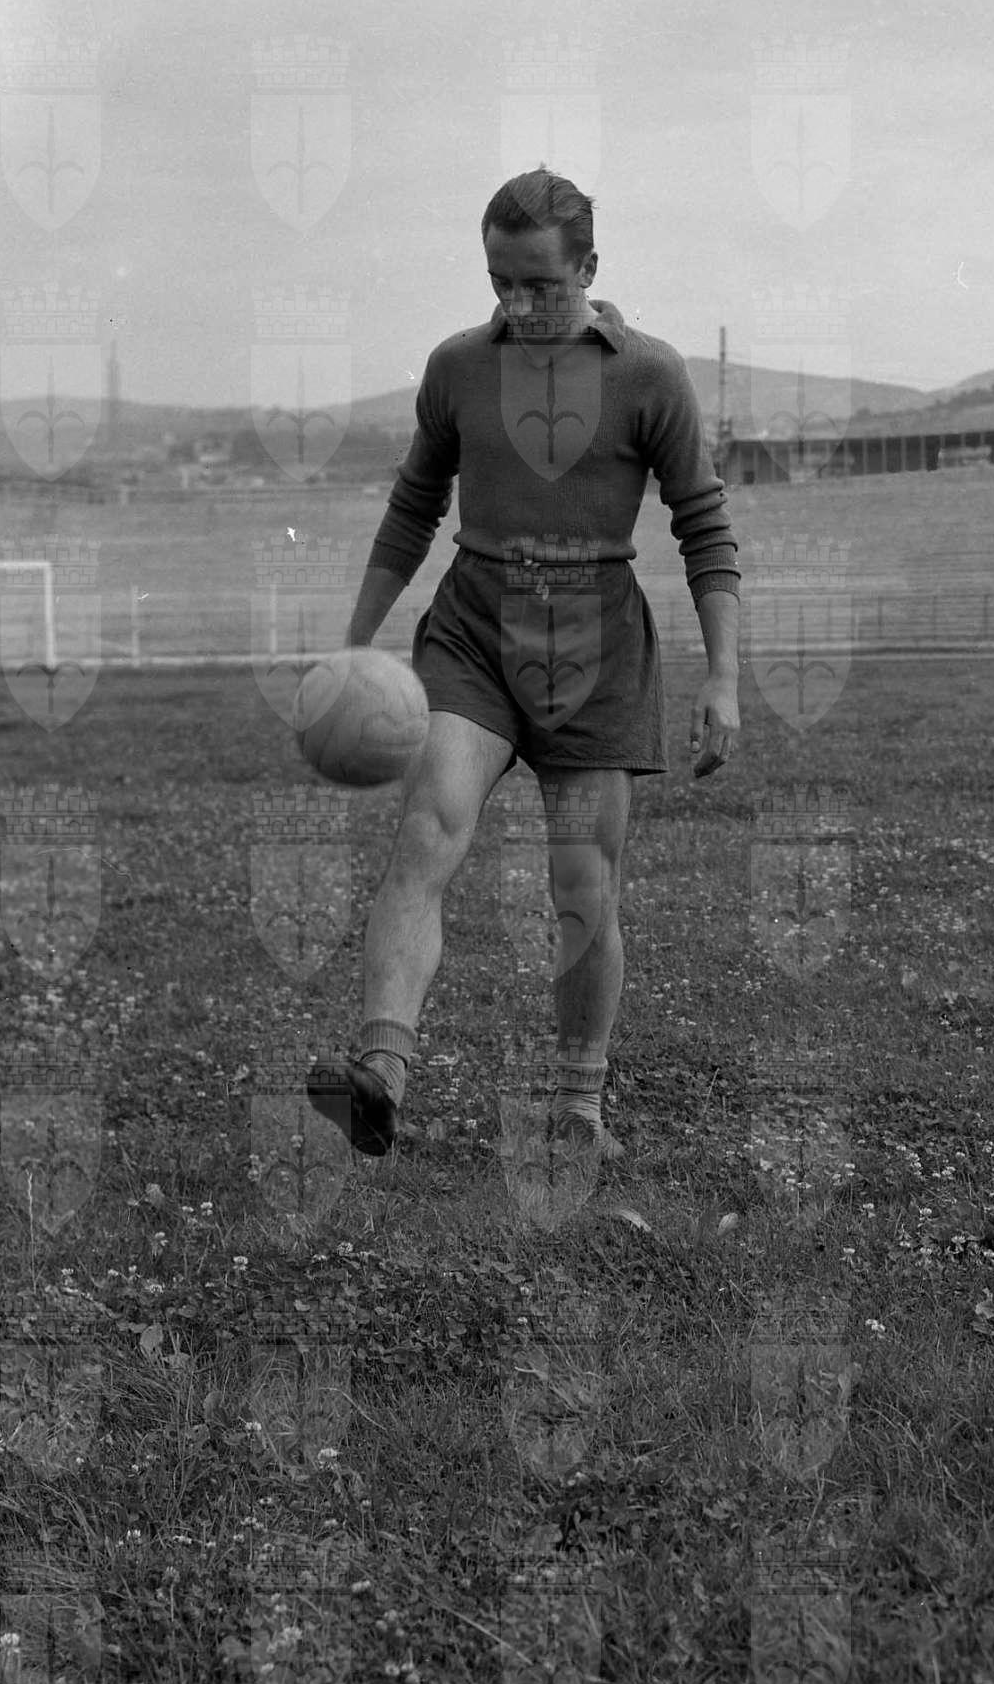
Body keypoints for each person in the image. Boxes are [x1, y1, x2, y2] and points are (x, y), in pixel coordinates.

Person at [307, 168, 741, 1162]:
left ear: (588, 268)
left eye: (539, 283)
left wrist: (721, 678)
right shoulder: (457, 367)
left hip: (598, 647)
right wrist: (354, 640)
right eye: (499, 282)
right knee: (427, 829)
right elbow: (413, 506)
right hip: (475, 632)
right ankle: (380, 1072)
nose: (516, 303)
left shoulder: (651, 376)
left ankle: (580, 1105)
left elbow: (703, 525)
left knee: (583, 885)